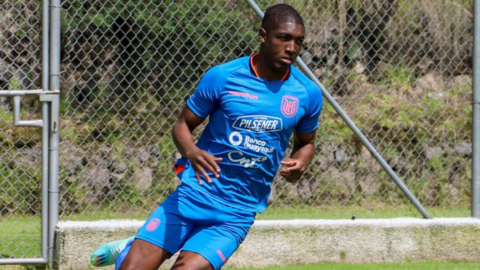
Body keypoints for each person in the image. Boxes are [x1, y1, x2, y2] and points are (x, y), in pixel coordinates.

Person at [90, 3, 323, 270]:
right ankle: (131, 249)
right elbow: (182, 125)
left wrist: (301, 161)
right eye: (283, 38)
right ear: (262, 36)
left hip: (236, 212)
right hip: (194, 194)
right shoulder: (223, 77)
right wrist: (192, 152)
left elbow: (306, 143)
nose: (292, 48)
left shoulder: (307, 93)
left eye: (298, 41)